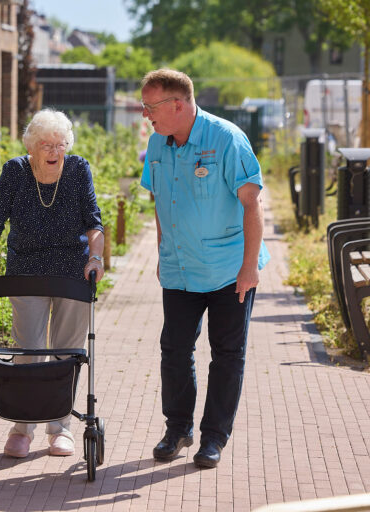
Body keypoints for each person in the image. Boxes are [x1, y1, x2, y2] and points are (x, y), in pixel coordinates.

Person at [139, 69, 269, 469]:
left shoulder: (227, 139)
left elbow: (252, 204)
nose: (146, 115)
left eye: (150, 107)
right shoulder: (159, 143)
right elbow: (160, 199)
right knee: (174, 351)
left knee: (227, 354)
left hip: (230, 270)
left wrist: (249, 267)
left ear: (177, 104)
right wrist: (163, 253)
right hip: (180, 269)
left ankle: (213, 438)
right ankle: (178, 429)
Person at [0, 108, 104, 458]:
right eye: (46, 143)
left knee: (67, 351)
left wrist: (96, 258)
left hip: (73, 271)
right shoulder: (15, 170)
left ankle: (60, 427)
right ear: (32, 146)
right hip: (26, 268)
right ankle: (22, 427)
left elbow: (94, 220)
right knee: (28, 350)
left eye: (60, 143)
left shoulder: (78, 169)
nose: (54, 150)